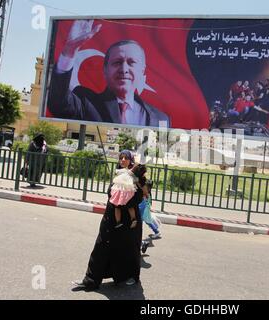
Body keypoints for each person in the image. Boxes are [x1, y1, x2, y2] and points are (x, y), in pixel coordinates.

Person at [48, 20, 170, 127]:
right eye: (117, 62)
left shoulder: (161, 118)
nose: (124, 69)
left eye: (131, 62)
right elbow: (58, 103)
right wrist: (69, 51)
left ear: (142, 70)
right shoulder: (86, 101)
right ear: (105, 71)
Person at [73, 150, 144, 290]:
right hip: (110, 218)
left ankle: (131, 276)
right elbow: (110, 192)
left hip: (129, 222)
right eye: (121, 158)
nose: (123, 160)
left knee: (129, 249)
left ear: (131, 160)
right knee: (100, 246)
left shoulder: (137, 176)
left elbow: (140, 196)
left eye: (126, 158)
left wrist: (125, 201)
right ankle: (90, 280)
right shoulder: (118, 174)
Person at [110, 163, 148, 229]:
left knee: (117, 207)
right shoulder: (136, 178)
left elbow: (118, 172)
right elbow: (141, 186)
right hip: (129, 193)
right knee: (130, 206)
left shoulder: (126, 171)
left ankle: (118, 221)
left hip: (118, 192)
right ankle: (133, 219)